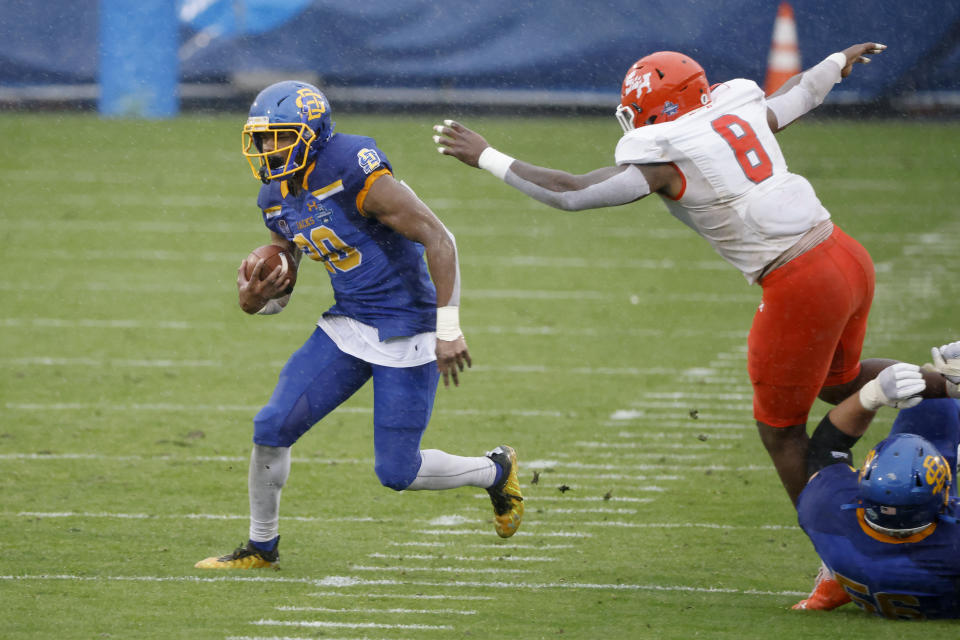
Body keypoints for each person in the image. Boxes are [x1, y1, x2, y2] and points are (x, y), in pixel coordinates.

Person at [432, 43, 957, 505]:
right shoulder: (735, 115)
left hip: (799, 281)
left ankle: (831, 544)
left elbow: (573, 192)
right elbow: (798, 95)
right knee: (837, 384)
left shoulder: (665, 158)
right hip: (845, 255)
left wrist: (488, 157)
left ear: (656, 109)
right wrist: (836, 62)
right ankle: (952, 383)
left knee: (781, 433)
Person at [195, 81, 523, 569]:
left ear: (311, 131)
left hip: (407, 328)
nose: (267, 149)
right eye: (261, 138)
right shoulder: (274, 195)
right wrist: (256, 301)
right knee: (271, 426)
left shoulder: (352, 165)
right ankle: (261, 547)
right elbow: (285, 283)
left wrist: (448, 327)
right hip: (348, 324)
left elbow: (439, 236)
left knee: (397, 471)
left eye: (278, 136)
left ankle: (495, 471)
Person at [793, 345, 960, 619]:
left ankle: (833, 578)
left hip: (863, 563)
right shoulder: (953, 546)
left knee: (928, 398)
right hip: (942, 586)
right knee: (937, 400)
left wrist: (871, 395)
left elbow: (826, 449)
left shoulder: (825, 512)